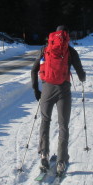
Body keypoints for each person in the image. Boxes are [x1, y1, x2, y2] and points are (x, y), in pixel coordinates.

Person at [31, 25, 86, 176]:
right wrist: (82, 77)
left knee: (45, 121)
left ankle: (44, 154)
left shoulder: (46, 48)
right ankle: (61, 161)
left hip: (47, 89)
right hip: (63, 90)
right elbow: (81, 74)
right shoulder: (70, 51)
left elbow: (34, 69)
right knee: (63, 125)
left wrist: (36, 89)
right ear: (66, 36)